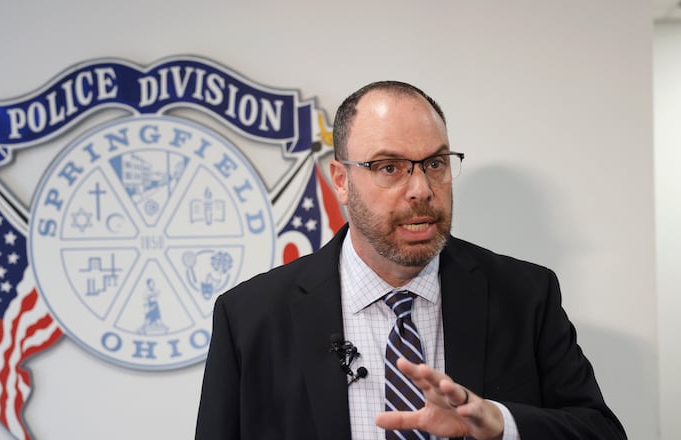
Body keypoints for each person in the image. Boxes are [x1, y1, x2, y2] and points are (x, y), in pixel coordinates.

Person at [195, 80, 626, 440]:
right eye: (390, 167)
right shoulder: (250, 317)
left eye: (434, 163)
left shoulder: (525, 295)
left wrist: (500, 424)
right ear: (342, 181)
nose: (421, 188)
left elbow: (600, 431)